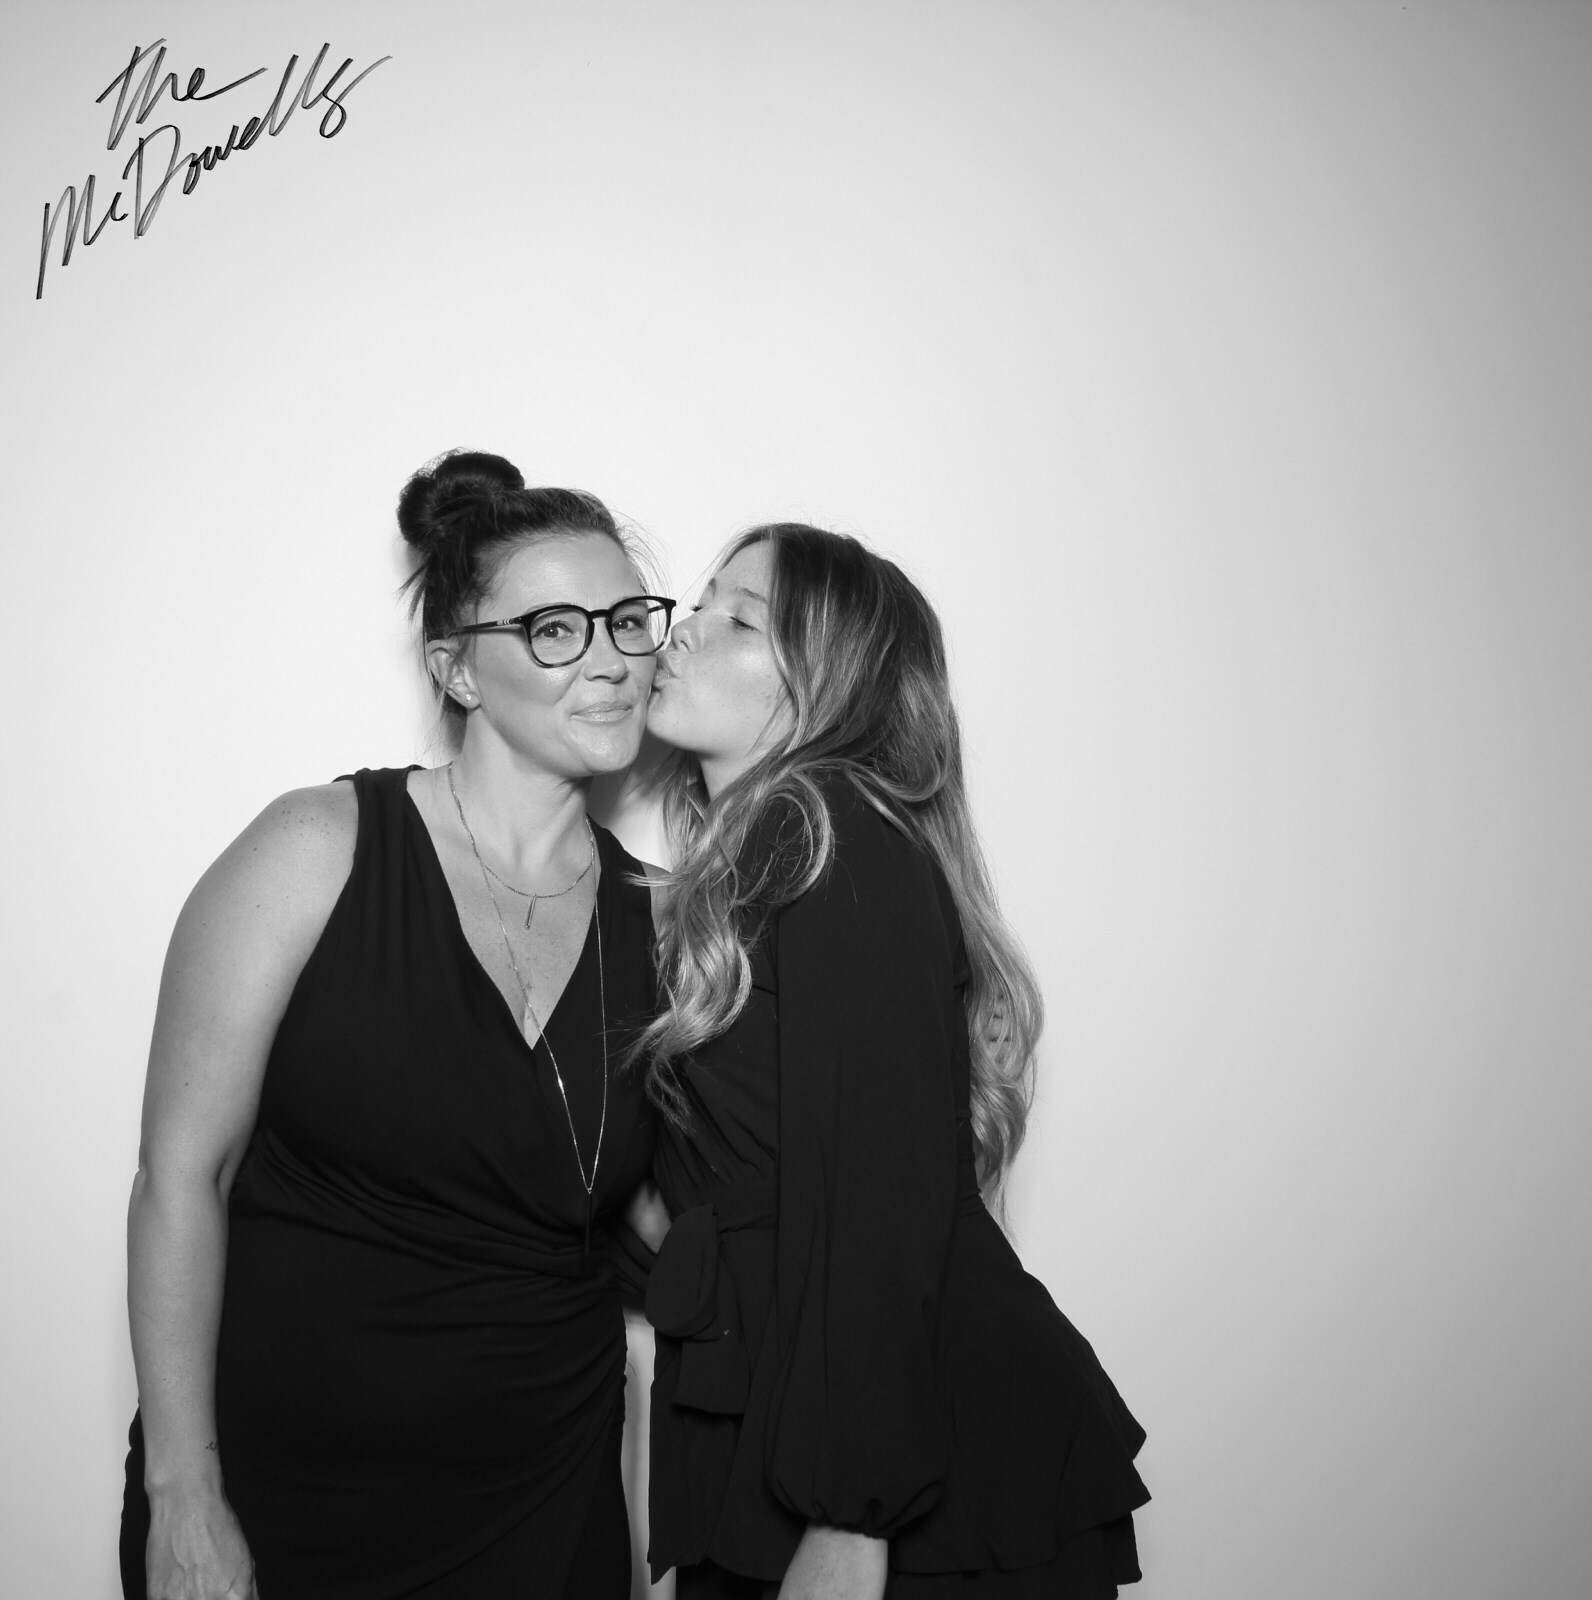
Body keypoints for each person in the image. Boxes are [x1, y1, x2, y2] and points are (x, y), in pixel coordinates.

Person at [121, 450, 672, 1600]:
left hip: (541, 1507)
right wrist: (183, 1492)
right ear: (456, 669)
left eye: (628, 621)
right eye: (556, 630)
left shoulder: (671, 923)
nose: (613, 659)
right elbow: (182, 1174)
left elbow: (669, 1221)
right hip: (277, 1503)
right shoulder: (313, 849)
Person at [637, 524, 1150, 1599]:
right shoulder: (749, 873)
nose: (684, 630)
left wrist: (849, 1514)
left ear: (824, 688)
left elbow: (878, 1192)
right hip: (785, 1426)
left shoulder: (831, 837)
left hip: (887, 1475)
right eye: (701, 601)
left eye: (739, 618)